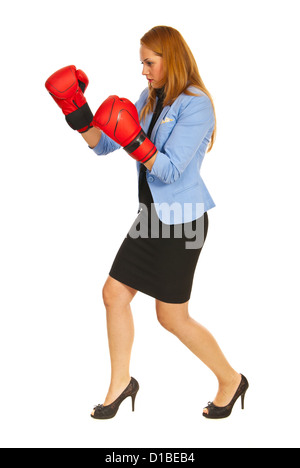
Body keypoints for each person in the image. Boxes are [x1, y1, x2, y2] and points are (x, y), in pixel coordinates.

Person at [45, 25, 248, 420]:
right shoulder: (150, 98)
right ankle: (121, 383)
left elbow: (169, 171)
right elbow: (104, 145)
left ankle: (231, 379)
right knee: (114, 293)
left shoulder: (196, 104)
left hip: (183, 223)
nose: (143, 71)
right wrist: (77, 111)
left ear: (169, 59)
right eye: (142, 62)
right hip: (151, 217)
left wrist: (135, 138)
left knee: (172, 317)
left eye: (149, 62)